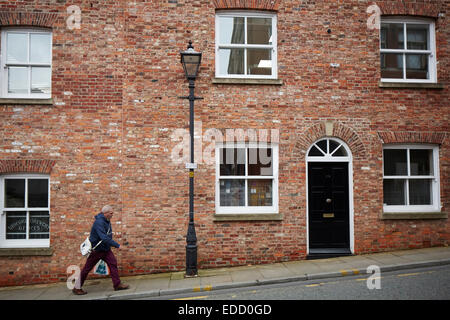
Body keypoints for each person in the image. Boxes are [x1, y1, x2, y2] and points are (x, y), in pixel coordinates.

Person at [73, 205, 129, 295]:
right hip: (97, 251)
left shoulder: (107, 221)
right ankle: (77, 287)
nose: (112, 215)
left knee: (113, 264)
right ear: (105, 213)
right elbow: (104, 238)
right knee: (87, 268)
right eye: (111, 213)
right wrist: (118, 245)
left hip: (106, 249)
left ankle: (117, 285)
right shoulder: (99, 222)